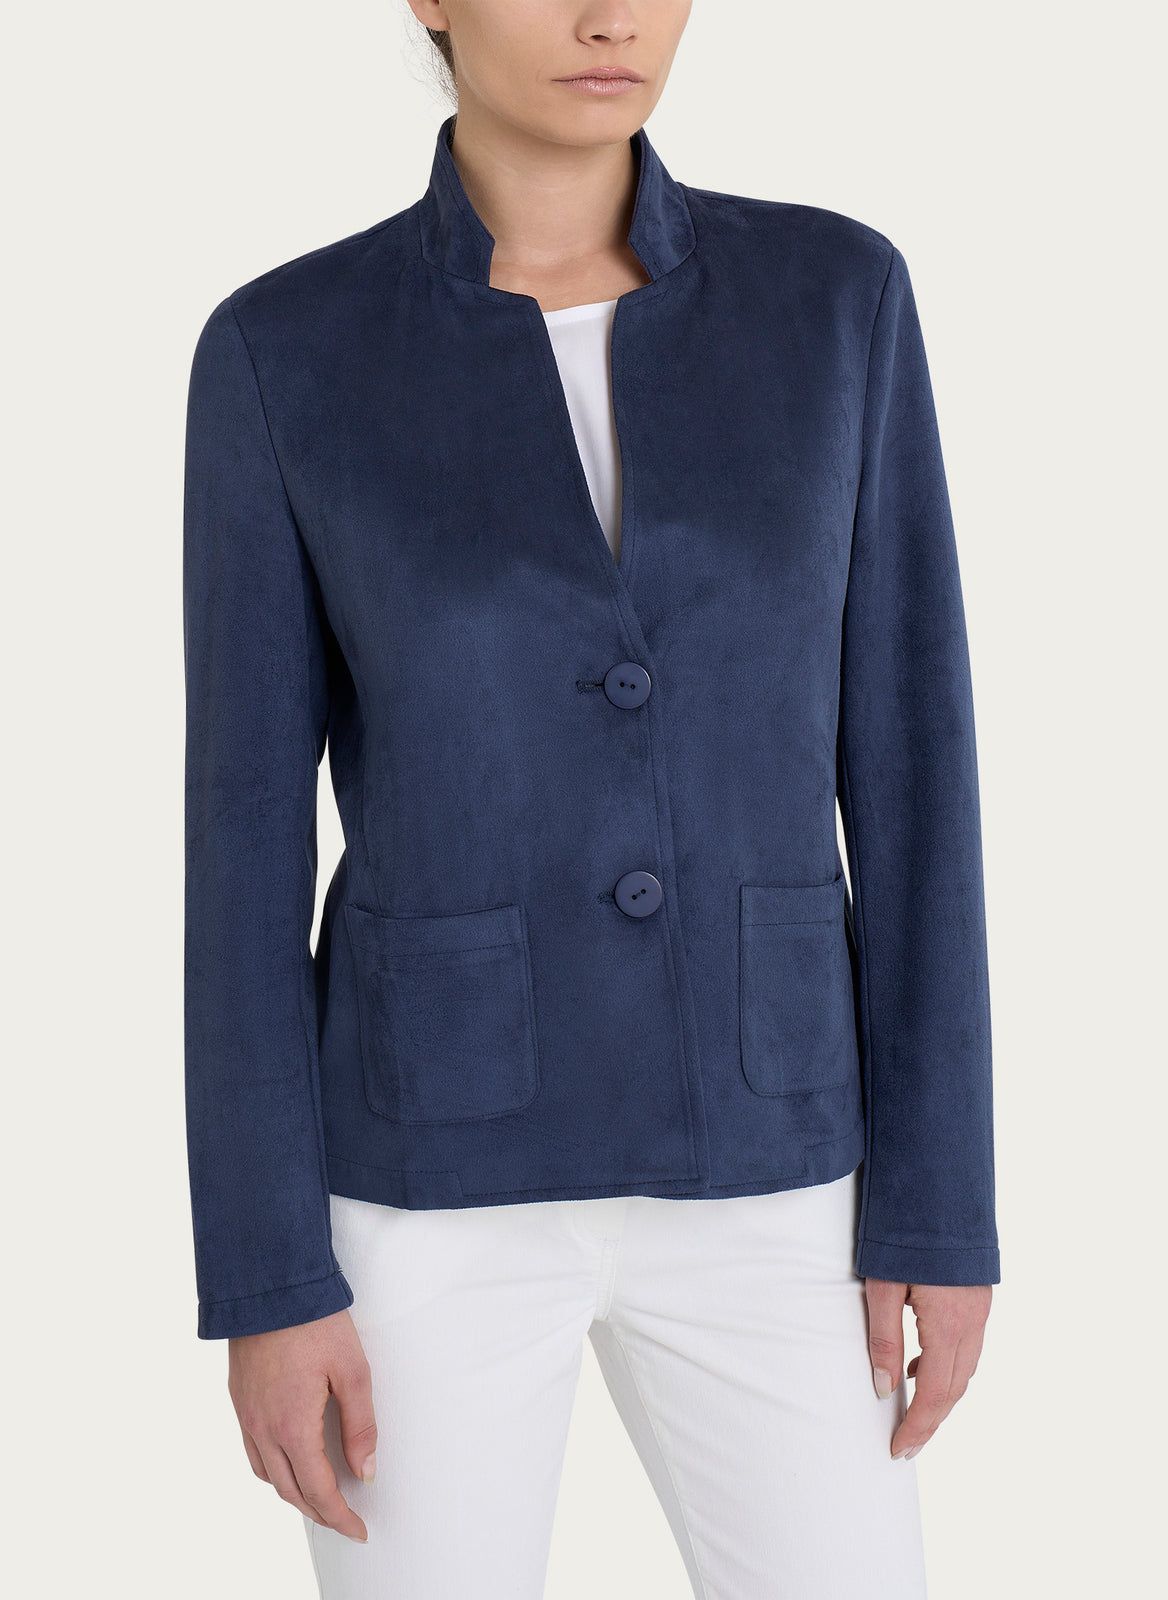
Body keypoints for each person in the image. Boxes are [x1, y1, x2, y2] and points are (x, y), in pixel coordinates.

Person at [181, 3, 999, 1595]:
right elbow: (239, 848)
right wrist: (267, 1277)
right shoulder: (290, 350)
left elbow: (918, 770)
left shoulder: (835, 303)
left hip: (778, 1164)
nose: (610, 14)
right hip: (427, 1182)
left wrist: (939, 1208)